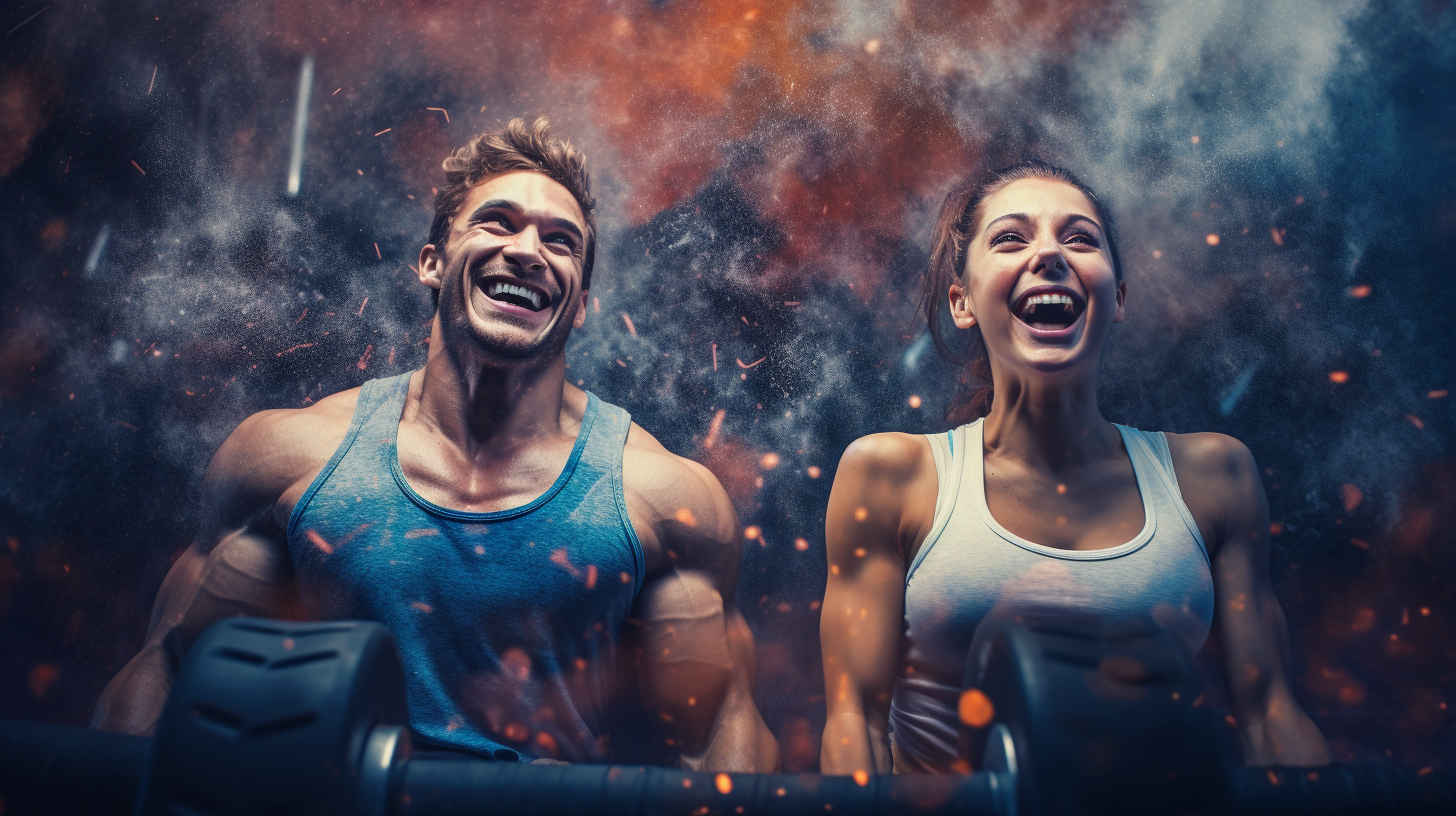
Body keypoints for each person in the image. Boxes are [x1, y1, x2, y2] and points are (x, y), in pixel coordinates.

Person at [93, 117, 779, 771]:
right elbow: (167, 669)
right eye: (497, 221)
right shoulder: (287, 459)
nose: (527, 251)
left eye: (560, 240)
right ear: (431, 262)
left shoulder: (663, 496)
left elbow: (718, 731)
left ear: (581, 304)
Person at [819, 160, 1330, 775]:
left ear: (1116, 298)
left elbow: (1269, 713)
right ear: (962, 302)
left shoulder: (1215, 476)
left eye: (1080, 238)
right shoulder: (891, 476)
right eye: (1011, 238)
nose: (1050, 255)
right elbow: (855, 725)